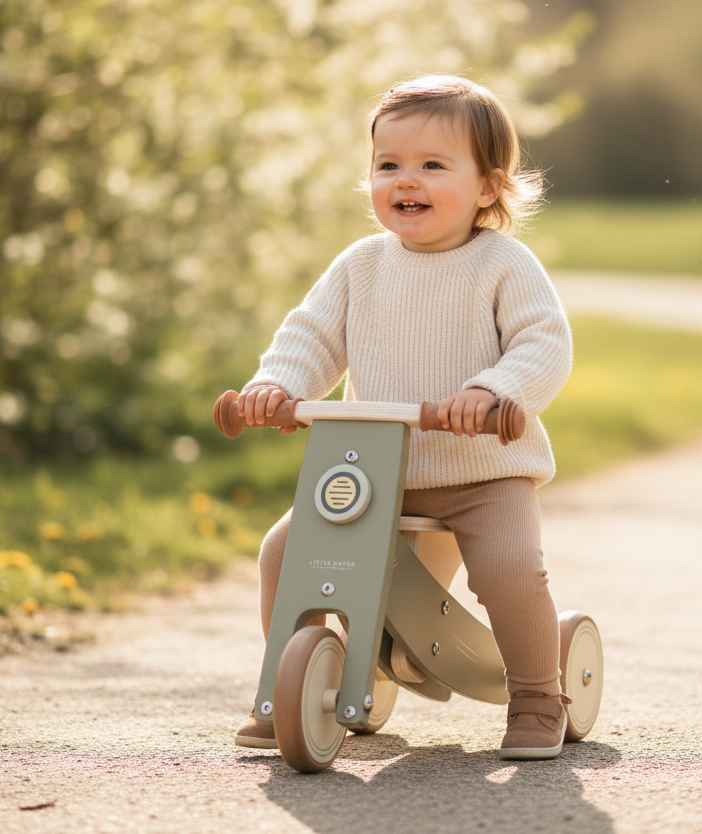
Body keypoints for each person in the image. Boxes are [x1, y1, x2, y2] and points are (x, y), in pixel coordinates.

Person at [232, 74, 573, 760]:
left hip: (482, 470)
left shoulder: (503, 265)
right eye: (388, 165)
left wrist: (493, 392)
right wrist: (275, 385)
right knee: (284, 551)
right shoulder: (361, 266)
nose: (404, 180)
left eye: (431, 165)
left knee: (512, 568)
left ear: (487, 186)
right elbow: (311, 338)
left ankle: (539, 694)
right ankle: (285, 689)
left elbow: (544, 344)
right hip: (369, 473)